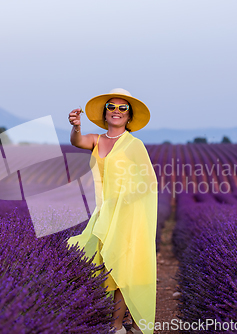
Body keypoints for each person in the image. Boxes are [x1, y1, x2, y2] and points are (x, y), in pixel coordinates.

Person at [66, 88, 158, 334]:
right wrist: (76, 126)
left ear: (129, 117)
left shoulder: (134, 145)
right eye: (112, 107)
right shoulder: (96, 140)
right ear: (105, 114)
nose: (117, 111)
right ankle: (108, 321)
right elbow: (78, 141)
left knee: (122, 268)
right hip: (103, 211)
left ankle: (117, 326)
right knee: (90, 258)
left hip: (128, 214)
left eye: (123, 108)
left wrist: (125, 200)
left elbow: (149, 182)